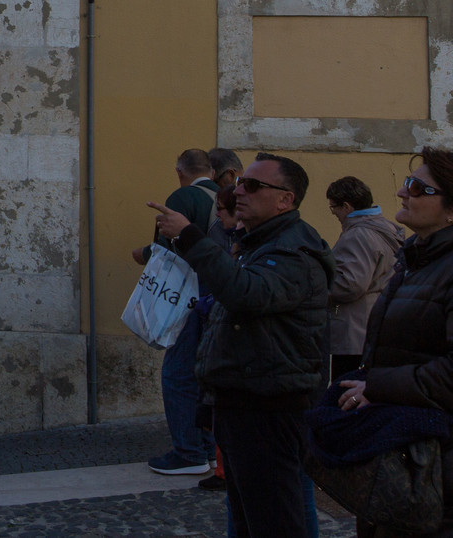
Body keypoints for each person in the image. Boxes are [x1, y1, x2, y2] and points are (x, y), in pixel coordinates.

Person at [152, 152, 332, 538]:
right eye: (237, 185)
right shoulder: (260, 242)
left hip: (268, 408)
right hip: (244, 402)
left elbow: (245, 294)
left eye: (252, 186)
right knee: (248, 516)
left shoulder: (291, 250)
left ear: (285, 199)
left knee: (274, 520)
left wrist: (189, 235)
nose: (237, 194)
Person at [337, 147, 453, 538]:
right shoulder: (415, 259)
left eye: (418, 188)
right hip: (400, 452)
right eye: (407, 183)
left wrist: (378, 387)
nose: (403, 193)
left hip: (435, 466)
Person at [137, 149, 221, 477]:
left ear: (179, 171)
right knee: (202, 375)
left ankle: (188, 452)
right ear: (212, 172)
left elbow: (164, 250)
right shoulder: (223, 197)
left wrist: (142, 254)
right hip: (216, 296)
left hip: (185, 298)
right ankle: (206, 449)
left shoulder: (183, 196)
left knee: (176, 373)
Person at [325, 175, 404, 382]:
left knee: (345, 392)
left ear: (347, 206)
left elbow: (350, 284)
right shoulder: (385, 228)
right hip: (373, 324)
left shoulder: (358, 234)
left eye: (334, 208)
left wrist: (317, 288)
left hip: (355, 330)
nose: (334, 214)